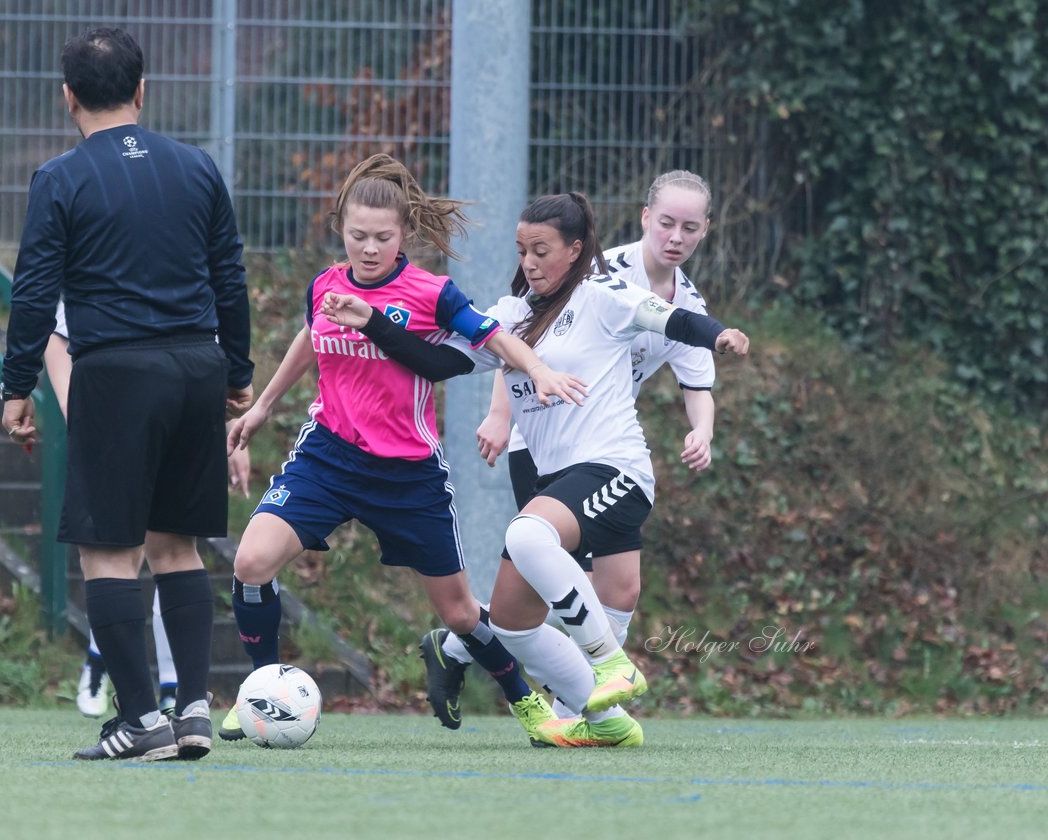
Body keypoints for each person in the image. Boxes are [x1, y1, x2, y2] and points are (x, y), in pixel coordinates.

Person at [321, 191, 748, 746]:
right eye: (522, 250)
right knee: (512, 621)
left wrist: (719, 334)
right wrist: (373, 322)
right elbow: (436, 361)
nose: (529, 262)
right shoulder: (512, 317)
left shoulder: (603, 295)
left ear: (575, 250)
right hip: (559, 480)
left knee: (528, 534)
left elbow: (674, 320)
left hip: (615, 470)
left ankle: (610, 665)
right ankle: (607, 722)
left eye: (541, 250)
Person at [220, 153, 587, 745]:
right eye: (357, 235)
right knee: (251, 562)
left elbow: (493, 337)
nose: (368, 248)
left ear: (405, 235)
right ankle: (261, 687)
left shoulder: (429, 293)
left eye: (382, 238)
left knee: (460, 613)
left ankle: (528, 705)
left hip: (408, 473)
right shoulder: (327, 284)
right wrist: (262, 405)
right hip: (329, 458)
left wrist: (538, 369)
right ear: (341, 228)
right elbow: (311, 335)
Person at [0, 27, 252, 762]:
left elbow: (34, 293)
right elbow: (228, 279)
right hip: (196, 367)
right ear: (143, 91)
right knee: (178, 545)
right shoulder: (198, 168)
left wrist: (18, 385)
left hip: (118, 373)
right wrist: (236, 370)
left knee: (109, 555)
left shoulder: (60, 177)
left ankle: (141, 720)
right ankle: (196, 710)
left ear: (67, 97)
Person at [421, 170, 720, 724]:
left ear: (704, 232)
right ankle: (588, 687)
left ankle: (561, 696)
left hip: (603, 444)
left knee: (614, 592)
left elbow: (695, 372)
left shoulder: (683, 301)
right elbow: (509, 340)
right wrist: (498, 413)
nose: (675, 236)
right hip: (542, 445)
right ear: (644, 219)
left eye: (690, 227)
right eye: (667, 222)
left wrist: (701, 429)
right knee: (550, 566)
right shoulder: (603, 270)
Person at [43, 301, 252, 718]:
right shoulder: (101, 252)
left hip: (183, 398)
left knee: (171, 546)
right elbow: (54, 332)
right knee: (124, 549)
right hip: (116, 401)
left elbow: (217, 334)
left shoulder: (192, 250)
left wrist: (231, 428)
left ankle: (177, 696)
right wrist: (77, 412)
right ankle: (105, 665)